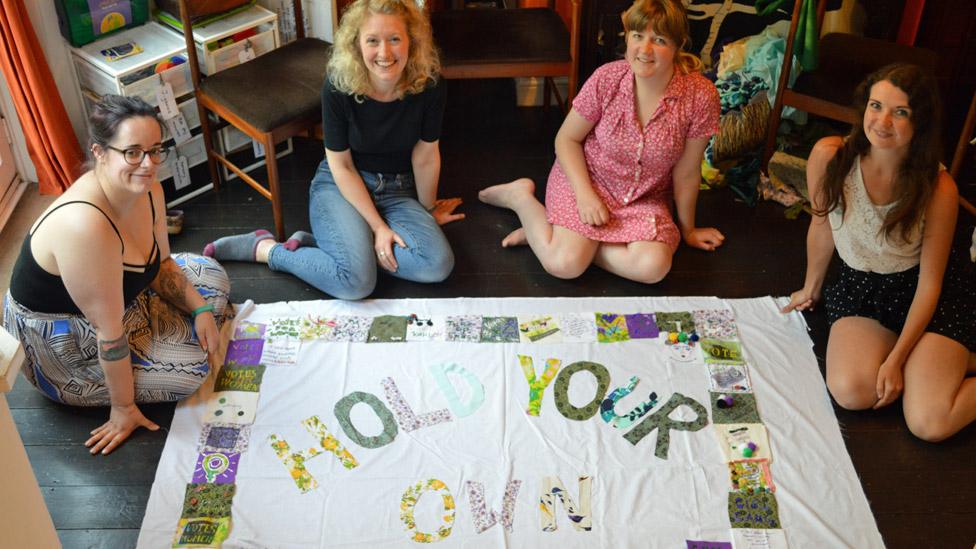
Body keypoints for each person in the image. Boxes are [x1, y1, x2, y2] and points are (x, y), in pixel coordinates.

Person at [3, 95, 232, 455]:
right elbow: (108, 336)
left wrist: (201, 310)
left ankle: (173, 330)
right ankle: (134, 374)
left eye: (156, 150)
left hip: (122, 301)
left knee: (211, 273)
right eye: (133, 152)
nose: (148, 164)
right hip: (65, 340)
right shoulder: (85, 226)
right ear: (100, 152)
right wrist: (123, 409)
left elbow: (163, 266)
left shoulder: (151, 189)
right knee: (192, 372)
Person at [204, 0, 463, 299]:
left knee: (437, 265)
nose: (385, 53)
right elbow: (342, 166)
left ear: (412, 41)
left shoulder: (429, 84)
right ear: (357, 44)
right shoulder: (339, 85)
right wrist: (378, 227)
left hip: (398, 190)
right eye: (372, 41)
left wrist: (427, 211)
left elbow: (426, 153)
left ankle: (341, 250)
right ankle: (267, 249)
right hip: (343, 185)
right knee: (356, 283)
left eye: (395, 39)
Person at [782, 63, 976, 442]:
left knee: (928, 423)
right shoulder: (830, 156)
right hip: (863, 289)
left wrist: (896, 359)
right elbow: (822, 224)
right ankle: (937, 362)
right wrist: (811, 286)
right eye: (875, 106)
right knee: (851, 391)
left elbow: (931, 284)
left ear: (920, 121)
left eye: (900, 112)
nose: (882, 121)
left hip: (927, 298)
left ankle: (945, 356)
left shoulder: (939, 188)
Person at [477, 0, 724, 284]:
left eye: (659, 40)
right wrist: (585, 196)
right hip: (587, 180)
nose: (644, 50)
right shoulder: (607, 78)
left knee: (653, 269)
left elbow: (688, 171)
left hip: (643, 197)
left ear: (679, 44)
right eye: (637, 36)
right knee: (564, 265)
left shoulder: (700, 95)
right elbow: (566, 139)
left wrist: (689, 230)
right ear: (627, 36)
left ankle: (549, 235)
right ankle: (521, 199)